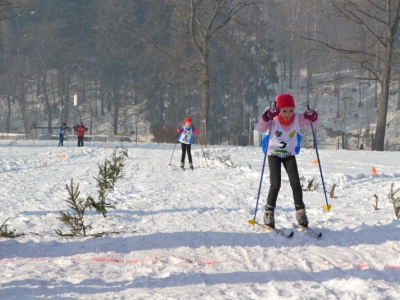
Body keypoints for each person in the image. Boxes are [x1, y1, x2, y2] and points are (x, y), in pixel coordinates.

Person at [256, 93, 320, 228]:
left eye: (291, 110)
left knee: (295, 183)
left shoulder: (297, 119)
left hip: (289, 154)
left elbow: (314, 124)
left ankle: (300, 212)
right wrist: (267, 116)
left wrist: (313, 116)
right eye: (284, 111)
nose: (288, 114)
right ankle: (269, 213)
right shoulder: (273, 120)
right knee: (275, 184)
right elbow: (260, 128)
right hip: (273, 154)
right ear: (278, 109)